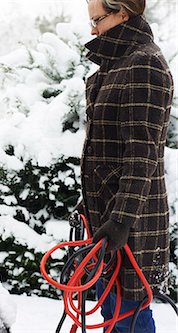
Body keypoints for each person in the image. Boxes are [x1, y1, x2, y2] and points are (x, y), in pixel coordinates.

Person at [79, 0, 174, 331]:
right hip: (106, 221)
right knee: (111, 313)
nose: (92, 29)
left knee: (128, 316)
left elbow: (141, 155)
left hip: (132, 225)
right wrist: (88, 203)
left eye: (98, 19)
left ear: (123, 12)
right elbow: (106, 154)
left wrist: (120, 221)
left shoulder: (144, 65)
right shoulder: (112, 68)